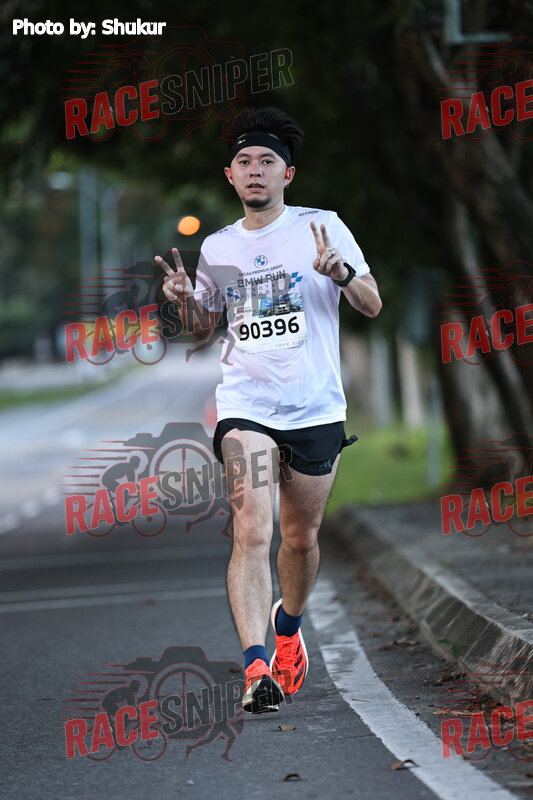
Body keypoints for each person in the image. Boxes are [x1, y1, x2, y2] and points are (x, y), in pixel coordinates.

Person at [155, 107, 382, 714]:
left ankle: (288, 628)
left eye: (267, 161)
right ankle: (256, 669)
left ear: (288, 174)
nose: (255, 170)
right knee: (252, 530)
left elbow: (371, 303)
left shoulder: (323, 226)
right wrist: (184, 302)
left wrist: (340, 273)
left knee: (300, 539)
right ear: (230, 176)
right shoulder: (218, 245)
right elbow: (204, 326)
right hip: (246, 405)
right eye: (244, 162)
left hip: (314, 406)